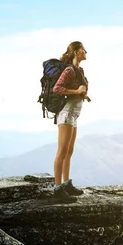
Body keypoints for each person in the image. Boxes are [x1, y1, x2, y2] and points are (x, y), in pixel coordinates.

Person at [51, 41, 91, 202]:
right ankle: (57, 189)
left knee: (69, 151)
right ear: (75, 52)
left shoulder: (79, 70)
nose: (86, 52)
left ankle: (66, 184)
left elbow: (76, 91)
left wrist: (83, 95)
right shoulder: (69, 70)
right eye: (83, 50)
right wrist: (76, 91)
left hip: (74, 114)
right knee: (62, 151)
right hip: (66, 113)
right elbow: (57, 88)